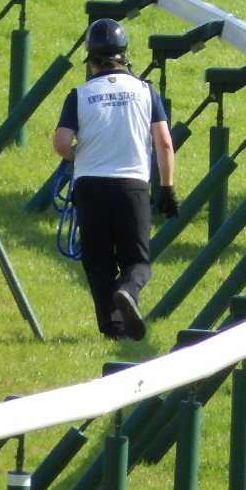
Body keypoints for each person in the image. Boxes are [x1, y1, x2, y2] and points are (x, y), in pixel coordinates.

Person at [52, 18, 178, 340]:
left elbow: (61, 142)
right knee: (137, 262)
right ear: (124, 55)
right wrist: (167, 188)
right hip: (132, 186)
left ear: (90, 60)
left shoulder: (78, 95)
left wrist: (77, 154)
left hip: (90, 187)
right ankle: (129, 291)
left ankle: (113, 330)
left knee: (98, 264)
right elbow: (164, 142)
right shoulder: (145, 91)